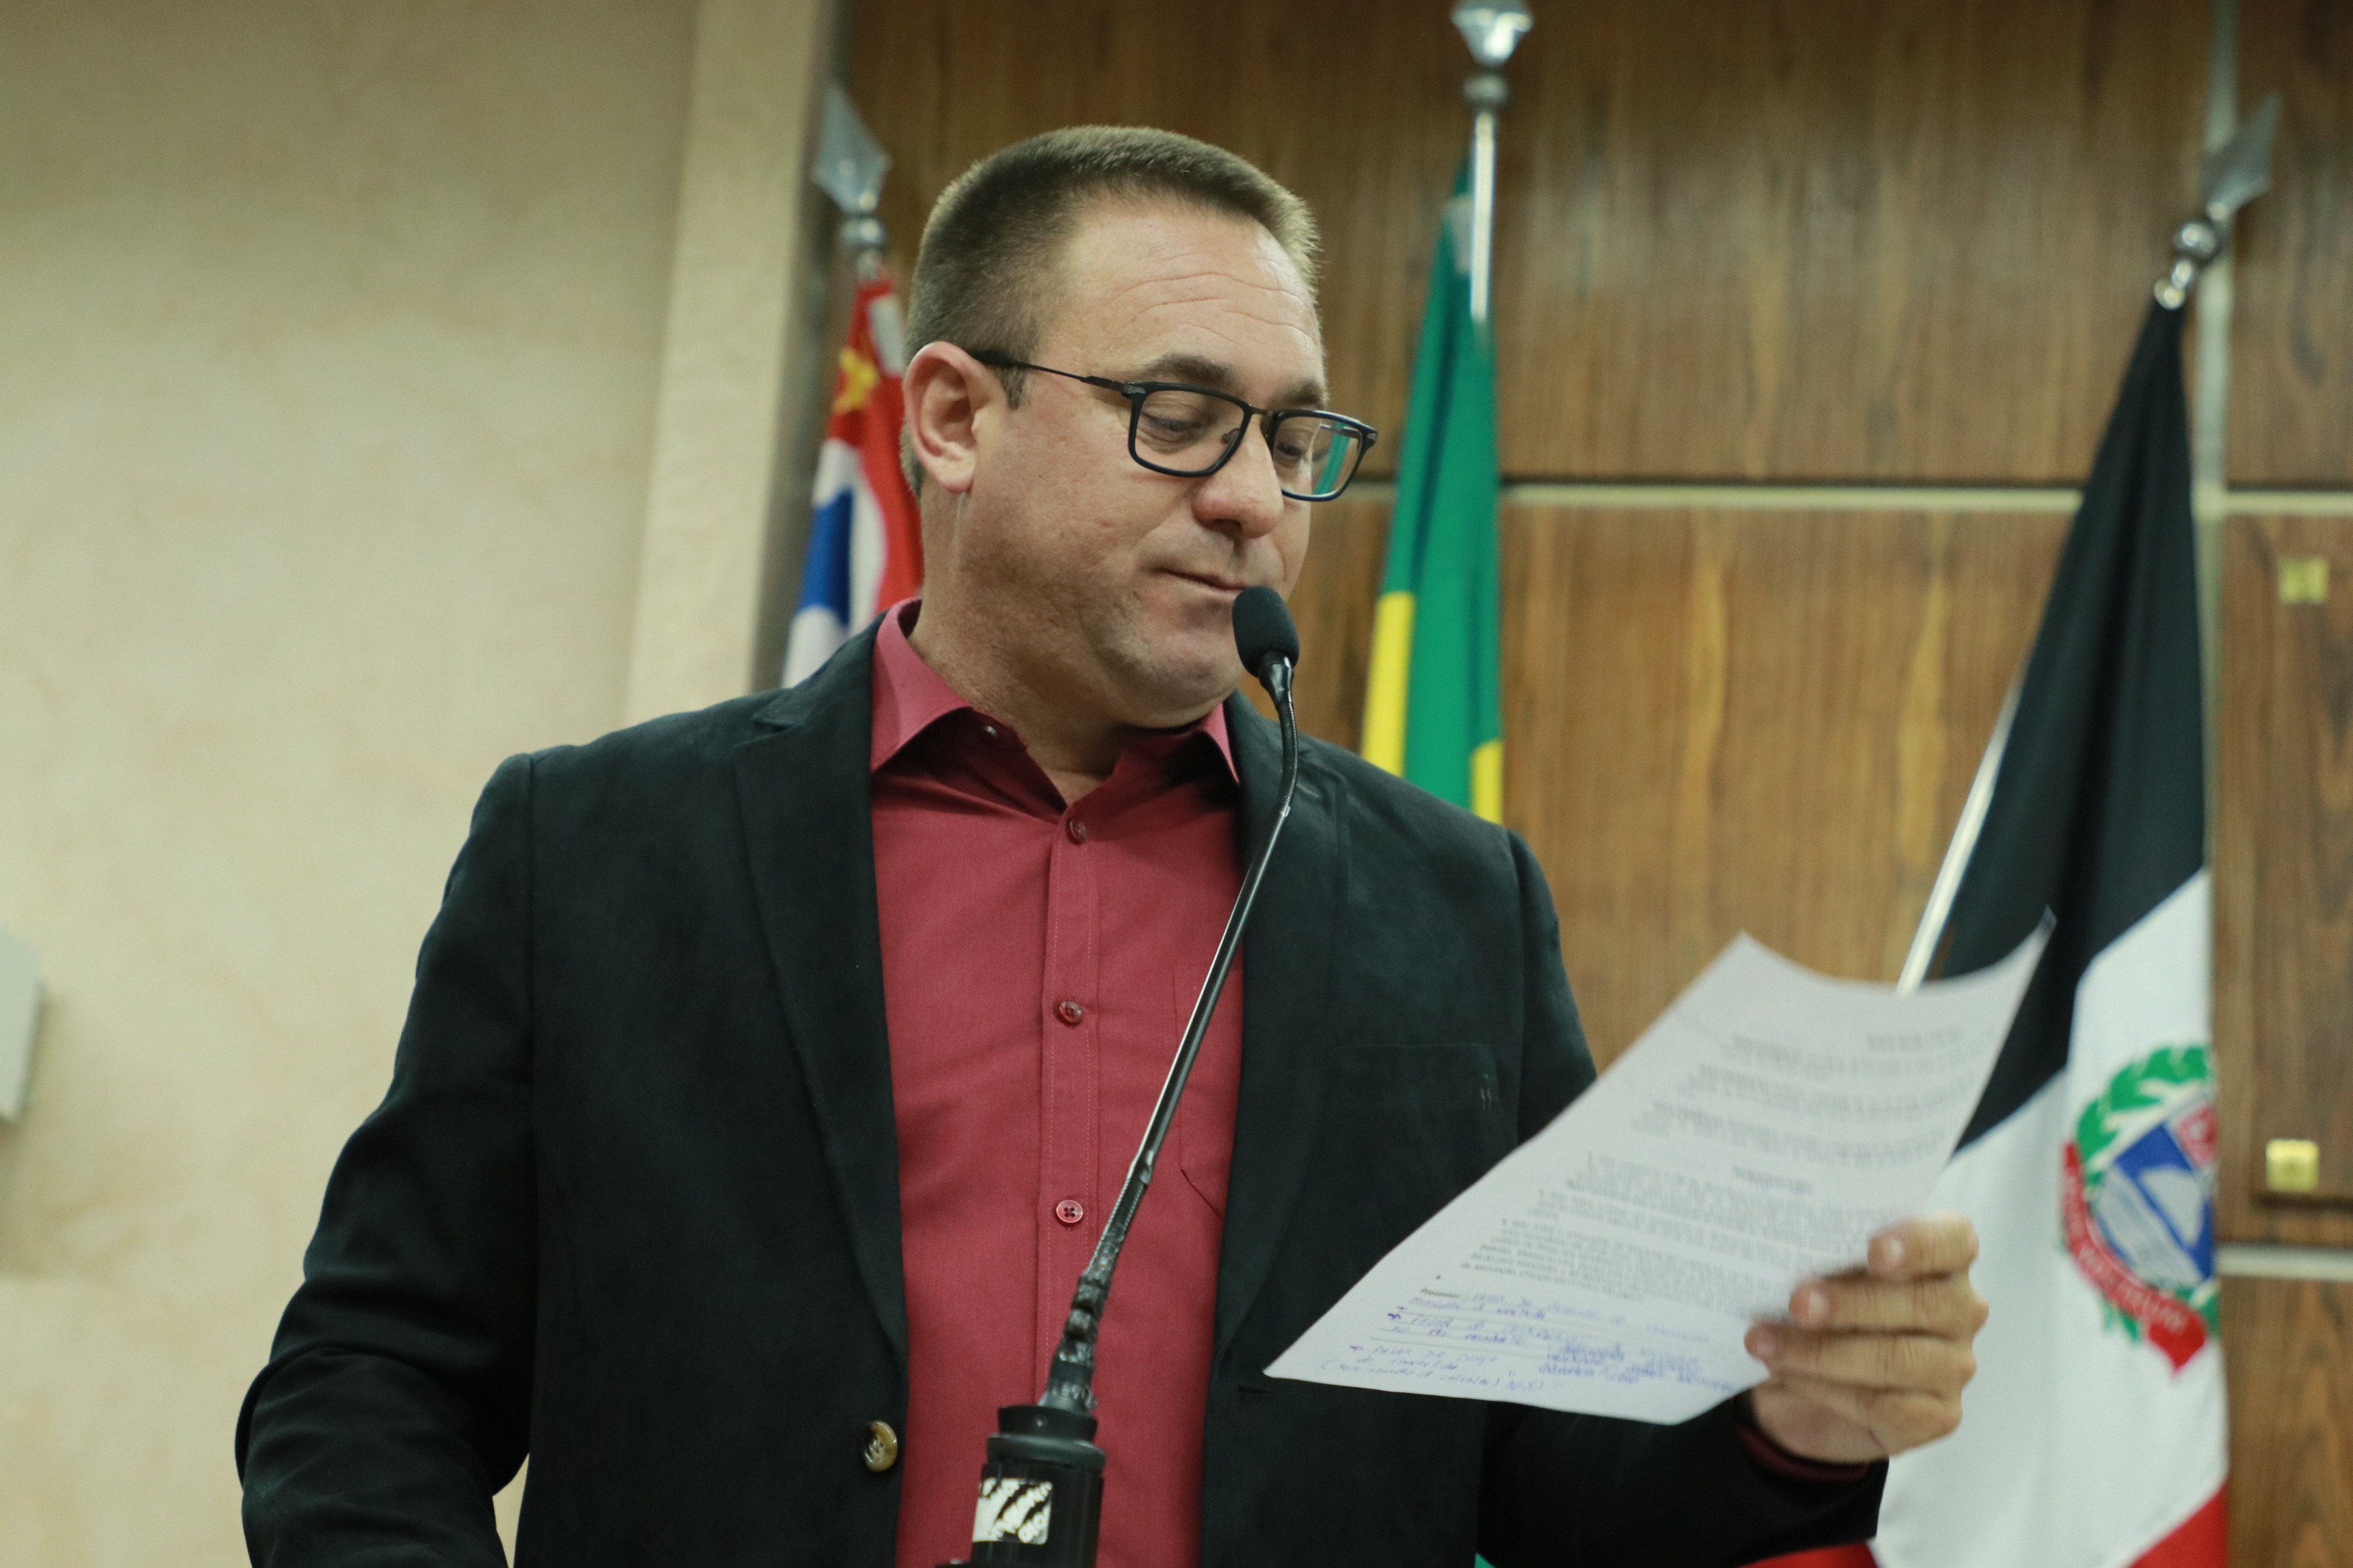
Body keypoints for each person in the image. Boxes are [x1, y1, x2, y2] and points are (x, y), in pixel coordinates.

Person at [238, 126, 1987, 1568]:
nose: (1253, 499)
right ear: (953, 417)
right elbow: (375, 1377)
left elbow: (1546, 1480)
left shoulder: (1451, 904)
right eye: (1179, 412)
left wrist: (1790, 1429)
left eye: (1293, 438)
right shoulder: (599, 852)